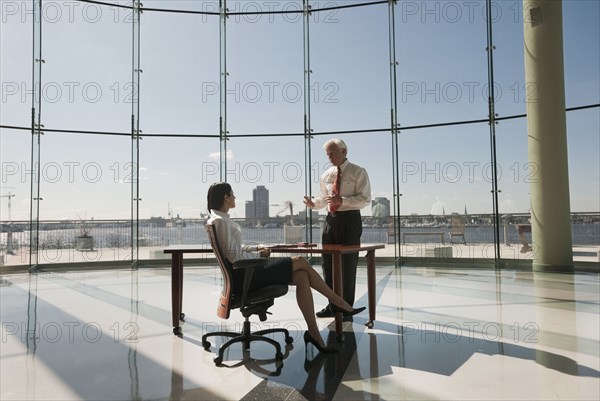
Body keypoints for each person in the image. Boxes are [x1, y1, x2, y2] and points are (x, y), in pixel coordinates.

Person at [206, 182, 365, 354]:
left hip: (244, 275)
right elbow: (235, 257)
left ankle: (313, 333)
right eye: (233, 194)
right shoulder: (220, 221)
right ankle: (338, 302)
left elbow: (236, 250)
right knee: (301, 261)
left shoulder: (219, 219)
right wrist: (260, 256)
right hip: (245, 278)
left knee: (302, 276)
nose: (235, 197)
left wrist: (257, 248)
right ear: (226, 197)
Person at [303, 138, 371, 320]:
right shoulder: (326, 175)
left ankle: (346, 307)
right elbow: (323, 199)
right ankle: (332, 305)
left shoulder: (358, 171)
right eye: (327, 154)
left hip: (350, 220)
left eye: (332, 153)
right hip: (330, 221)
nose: (329, 157)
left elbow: (365, 198)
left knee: (347, 265)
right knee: (327, 264)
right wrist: (313, 203)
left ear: (344, 152)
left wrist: (343, 201)